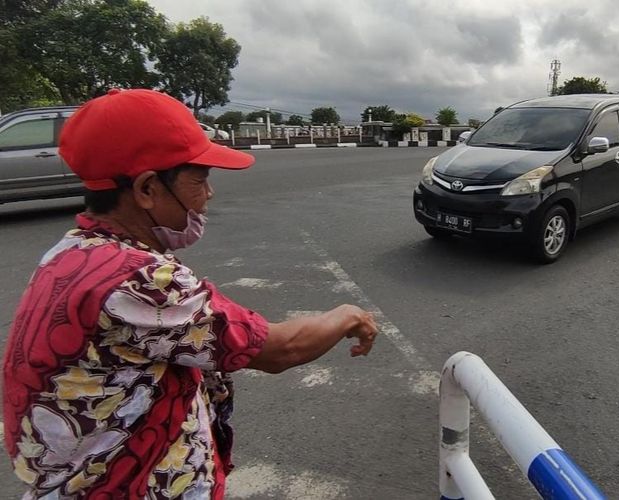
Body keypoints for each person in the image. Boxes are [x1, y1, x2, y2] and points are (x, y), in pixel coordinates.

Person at [2, 89, 378, 499]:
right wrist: (347, 314)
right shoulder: (141, 279)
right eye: (199, 180)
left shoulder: (70, 251)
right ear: (147, 188)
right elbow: (279, 349)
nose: (209, 195)